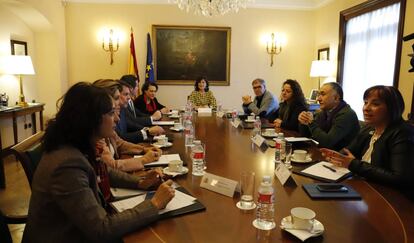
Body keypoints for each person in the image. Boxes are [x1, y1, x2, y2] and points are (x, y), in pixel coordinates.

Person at [22, 82, 175, 243]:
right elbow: (101, 229)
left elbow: (105, 172)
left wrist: (141, 182)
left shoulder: (78, 144)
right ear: (90, 119)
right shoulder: (67, 165)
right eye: (110, 113)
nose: (117, 118)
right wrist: (154, 204)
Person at [320, 86, 414, 188]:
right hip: (364, 185)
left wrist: (353, 164)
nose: (366, 108)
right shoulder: (369, 129)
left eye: (375, 104)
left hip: (388, 197)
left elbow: (399, 178)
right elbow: (349, 151)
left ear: (392, 107)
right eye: (365, 102)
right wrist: (336, 156)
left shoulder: (403, 133)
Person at [298, 82, 359, 150]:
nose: (318, 99)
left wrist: (311, 123)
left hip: (341, 156)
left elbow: (327, 142)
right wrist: (304, 122)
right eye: (319, 95)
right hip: (326, 152)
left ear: (336, 98)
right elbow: (306, 135)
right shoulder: (323, 113)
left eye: (323, 94)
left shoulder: (346, 115)